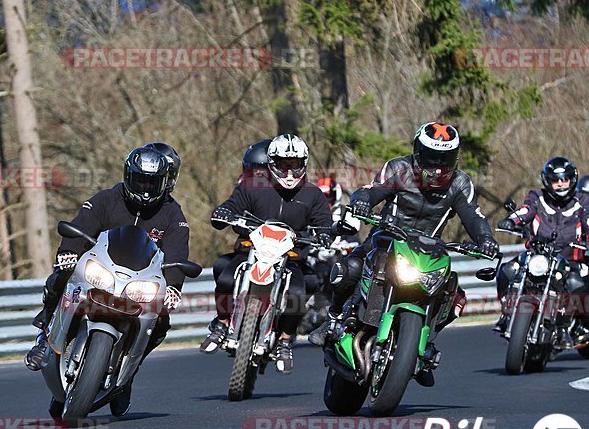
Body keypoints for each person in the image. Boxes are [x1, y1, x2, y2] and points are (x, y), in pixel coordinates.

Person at [311, 122, 499, 386]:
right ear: (418, 152)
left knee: (454, 295)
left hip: (428, 250)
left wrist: (486, 239)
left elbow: (473, 216)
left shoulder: (460, 183)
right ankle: (333, 319)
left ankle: (421, 347)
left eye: (444, 159)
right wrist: (363, 201)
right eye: (432, 157)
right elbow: (372, 190)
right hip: (387, 238)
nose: (437, 166)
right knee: (349, 268)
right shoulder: (399, 169)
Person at [24, 146, 190, 417]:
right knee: (62, 275)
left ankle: (129, 373)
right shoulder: (107, 199)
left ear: (164, 183)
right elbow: (82, 226)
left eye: (152, 182)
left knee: (161, 323)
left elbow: (177, 254)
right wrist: (68, 252)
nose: (146, 187)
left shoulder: (173, 215)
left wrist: (173, 286)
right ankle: (44, 333)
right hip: (101, 272)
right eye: (141, 180)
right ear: (128, 176)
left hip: (138, 286)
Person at [200, 134, 339, 374]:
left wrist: (326, 233)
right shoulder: (252, 186)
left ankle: (285, 340)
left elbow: (323, 221)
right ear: (271, 163)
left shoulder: (312, 194)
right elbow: (231, 205)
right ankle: (222, 324)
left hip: (291, 260)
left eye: (295, 165)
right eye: (284, 165)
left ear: (304, 164)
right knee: (224, 276)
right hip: (250, 252)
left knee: (298, 292)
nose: (289, 172)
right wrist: (223, 212)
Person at [494, 157, 589, 343]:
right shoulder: (537, 197)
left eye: (564, 179)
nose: (560, 184)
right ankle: (506, 312)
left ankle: (578, 326)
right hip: (538, 255)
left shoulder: (583, 201)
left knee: (580, 283)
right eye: (555, 180)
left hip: (570, 259)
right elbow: (525, 210)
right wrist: (512, 220)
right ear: (547, 181)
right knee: (507, 271)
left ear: (572, 180)